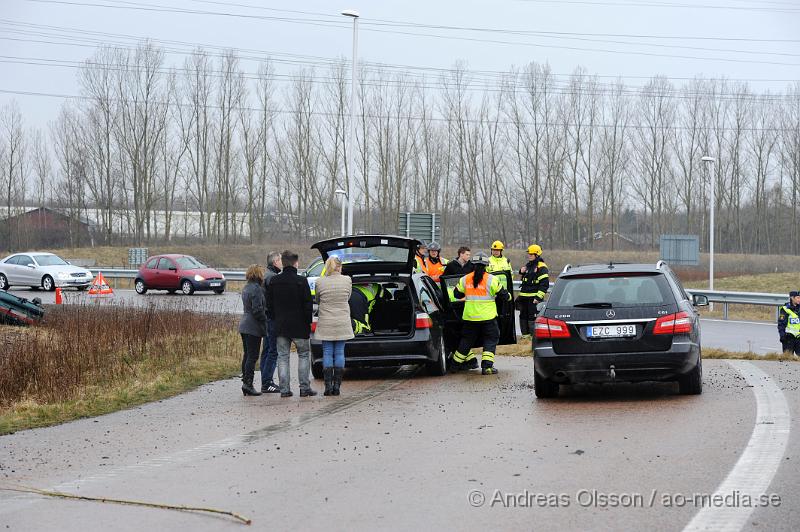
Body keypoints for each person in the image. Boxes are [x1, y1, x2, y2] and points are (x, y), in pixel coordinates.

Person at [266, 250, 317, 398]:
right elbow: (308, 305)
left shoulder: (274, 281)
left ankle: (284, 389)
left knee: (282, 357)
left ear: (283, 263)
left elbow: (269, 305)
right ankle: (304, 388)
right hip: (300, 326)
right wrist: (308, 323)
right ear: (296, 263)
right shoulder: (301, 281)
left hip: (281, 326)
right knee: (303, 355)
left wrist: (275, 320)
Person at [451, 252, 511, 375]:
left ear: (473, 265)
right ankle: (487, 367)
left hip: (470, 317)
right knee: (491, 339)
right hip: (487, 318)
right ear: (486, 266)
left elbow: (456, 294)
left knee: (466, 341)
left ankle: (454, 365)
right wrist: (509, 296)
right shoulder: (492, 279)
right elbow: (504, 295)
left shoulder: (465, 279)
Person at [315, 256, 354, 396]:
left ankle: (327, 387)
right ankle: (337, 386)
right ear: (339, 267)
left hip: (326, 321)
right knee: (339, 352)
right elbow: (348, 297)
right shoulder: (347, 280)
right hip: (342, 321)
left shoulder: (320, 282)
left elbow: (318, 300)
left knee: (327, 352)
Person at [239, 264, 267, 396]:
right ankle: (248, 384)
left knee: (247, 355)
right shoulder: (256, 289)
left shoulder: (246, 287)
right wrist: (264, 320)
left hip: (244, 325)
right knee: (253, 356)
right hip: (253, 326)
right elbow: (257, 310)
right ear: (258, 274)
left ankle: (246, 381)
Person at [259, 251, 282, 393]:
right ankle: (267, 382)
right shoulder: (272, 277)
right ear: (275, 262)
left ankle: (265, 380)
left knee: (267, 350)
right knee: (273, 351)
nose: (281, 262)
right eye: (280, 260)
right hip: (271, 318)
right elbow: (276, 300)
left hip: (265, 317)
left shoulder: (266, 274)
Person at [517, 244, 549, 339]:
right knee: (523, 317)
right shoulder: (529, 265)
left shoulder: (542, 267)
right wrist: (521, 271)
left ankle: (533, 339)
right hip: (524, 297)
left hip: (533, 299)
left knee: (532, 318)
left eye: (531, 254)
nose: (529, 256)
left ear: (537, 255)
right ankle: (525, 338)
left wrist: (538, 298)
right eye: (529, 254)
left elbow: (544, 284)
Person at [778, 290, 800, 356]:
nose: (799, 299)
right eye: (798, 297)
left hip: (799, 338)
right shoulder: (785, 309)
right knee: (788, 360)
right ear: (792, 298)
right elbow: (781, 324)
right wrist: (782, 336)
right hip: (788, 338)